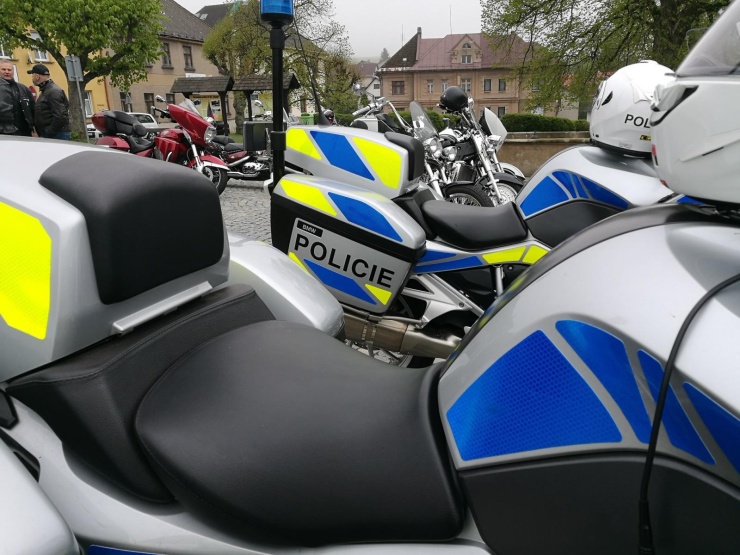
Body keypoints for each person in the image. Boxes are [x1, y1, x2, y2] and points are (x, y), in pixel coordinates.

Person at [28, 63, 70, 140]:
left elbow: (60, 115)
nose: (32, 78)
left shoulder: (53, 91)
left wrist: (48, 132)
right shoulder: (47, 91)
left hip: (57, 134)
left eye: (32, 75)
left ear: (37, 76)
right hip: (55, 133)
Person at [0, 59, 35, 136]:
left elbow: (32, 108)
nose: (7, 72)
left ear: (13, 71)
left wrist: (34, 127)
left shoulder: (23, 88)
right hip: (4, 132)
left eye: (9, 70)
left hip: (24, 131)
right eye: (3, 69)